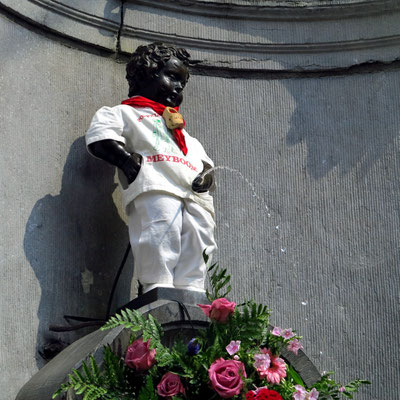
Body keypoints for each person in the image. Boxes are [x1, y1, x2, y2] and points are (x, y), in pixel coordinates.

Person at [86, 42, 217, 294]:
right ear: (146, 73)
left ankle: (192, 287)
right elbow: (100, 137)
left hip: (193, 195)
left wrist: (206, 178)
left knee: (200, 237)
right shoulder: (124, 113)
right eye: (172, 77)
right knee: (159, 231)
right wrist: (124, 159)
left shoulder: (183, 133)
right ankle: (156, 284)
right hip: (155, 184)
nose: (178, 87)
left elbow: (205, 165)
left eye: (182, 83)